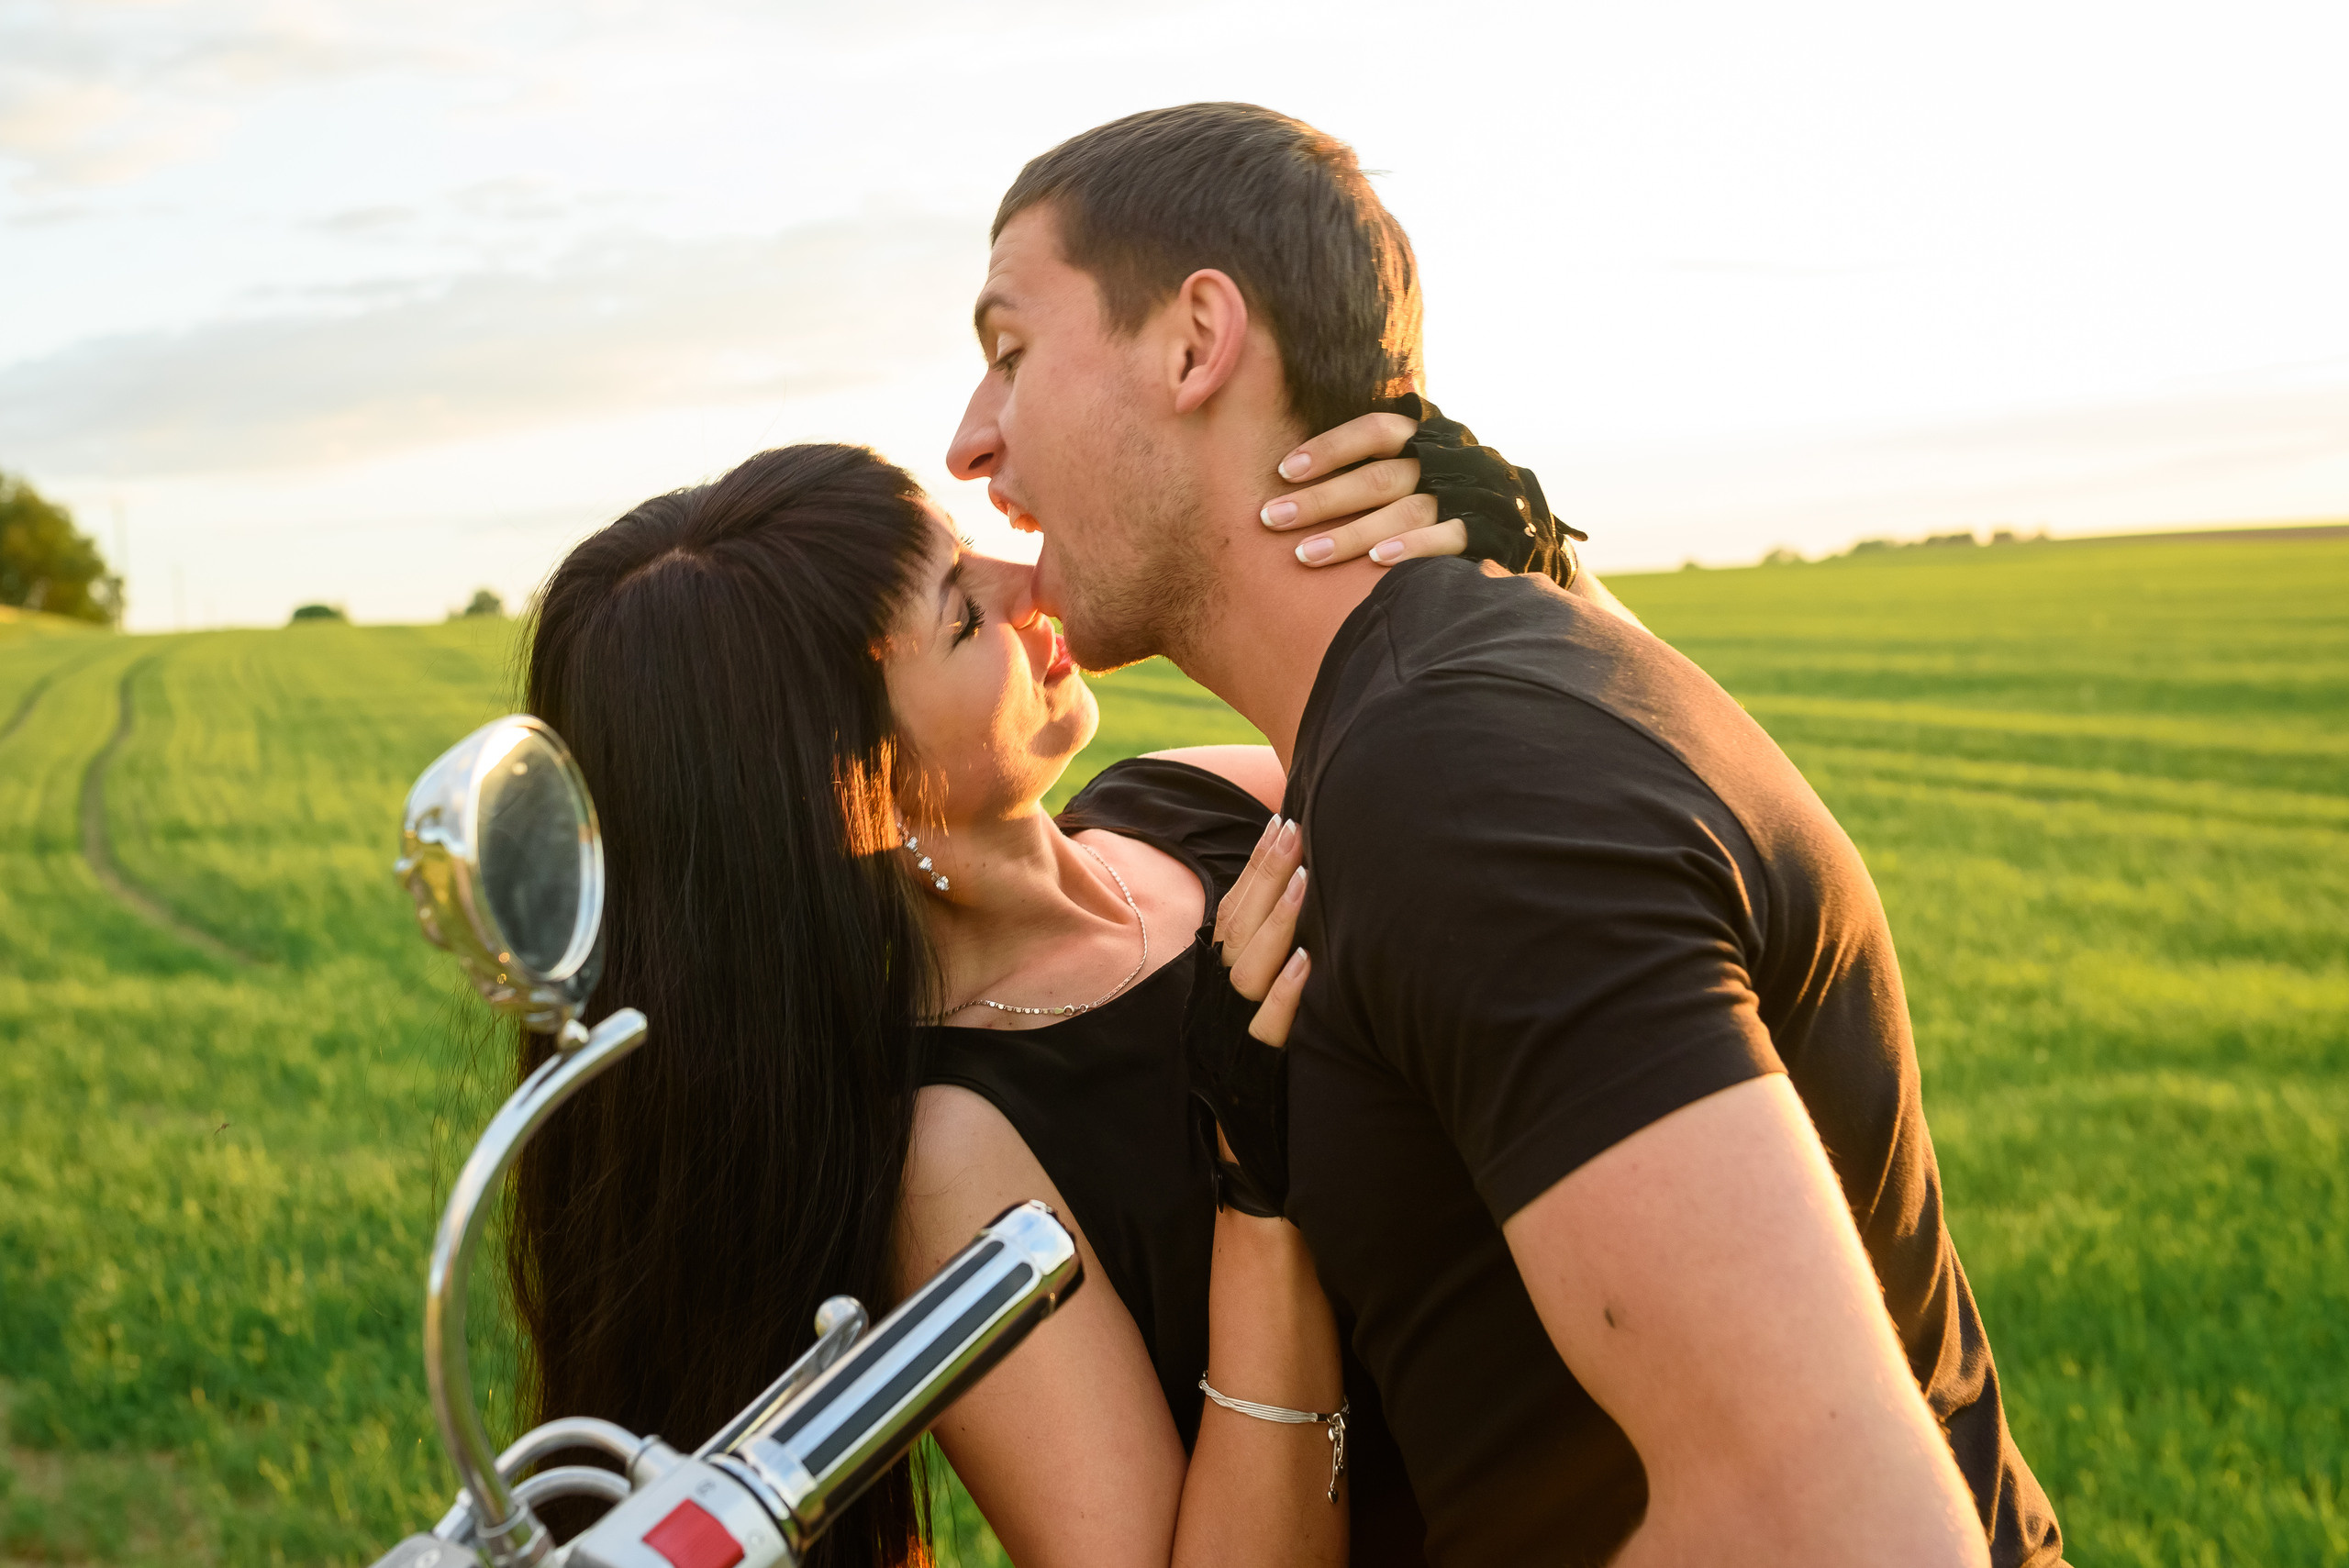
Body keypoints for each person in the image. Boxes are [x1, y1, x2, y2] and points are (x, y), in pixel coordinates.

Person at [944, 102, 2065, 1567]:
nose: (971, 440)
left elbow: (1848, 1537)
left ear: (1195, 342)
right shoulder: (1457, 699)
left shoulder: (1453, 779)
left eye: (1012, 351)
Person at [505, 422, 1540, 1566]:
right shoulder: (953, 1154)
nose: (1031, 581)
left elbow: (1597, 833)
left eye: (972, 550)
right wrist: (1257, 1194)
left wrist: (1531, 582)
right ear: (850, 791)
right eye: (962, 613)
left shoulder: (1204, 799)